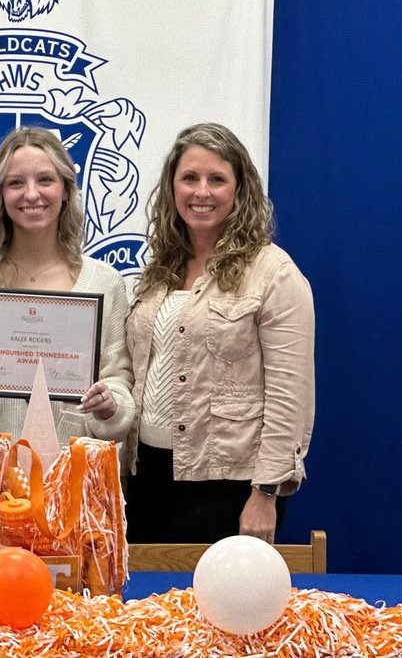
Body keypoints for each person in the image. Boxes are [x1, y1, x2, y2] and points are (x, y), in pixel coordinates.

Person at [0, 127, 135, 542]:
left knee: (71, 606)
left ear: (66, 191)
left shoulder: (103, 283)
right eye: (15, 183)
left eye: (45, 180)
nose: (31, 194)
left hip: (71, 490)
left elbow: (120, 384)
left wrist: (110, 405)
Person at [124, 122, 314, 544]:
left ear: (240, 189)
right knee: (147, 608)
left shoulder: (273, 273)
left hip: (228, 485)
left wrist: (266, 492)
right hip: (144, 475)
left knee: (208, 609)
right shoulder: (159, 271)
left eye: (217, 179)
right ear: (172, 188)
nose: (201, 192)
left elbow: (290, 394)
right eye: (189, 178)